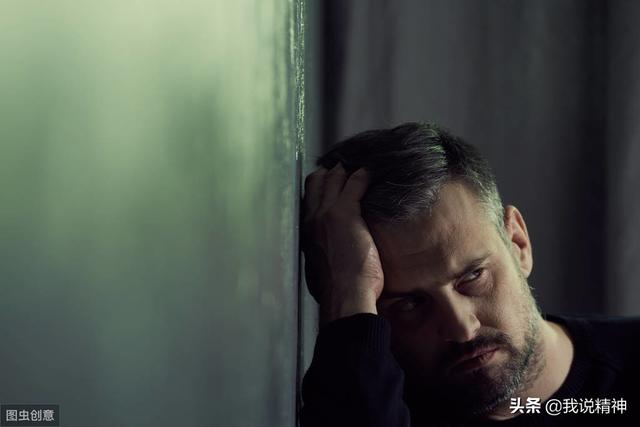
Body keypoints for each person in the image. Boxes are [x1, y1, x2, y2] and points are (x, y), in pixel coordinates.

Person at [299, 122, 640, 426]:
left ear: (518, 244)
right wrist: (347, 299)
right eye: (410, 304)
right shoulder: (366, 401)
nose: (461, 329)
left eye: (473, 276)